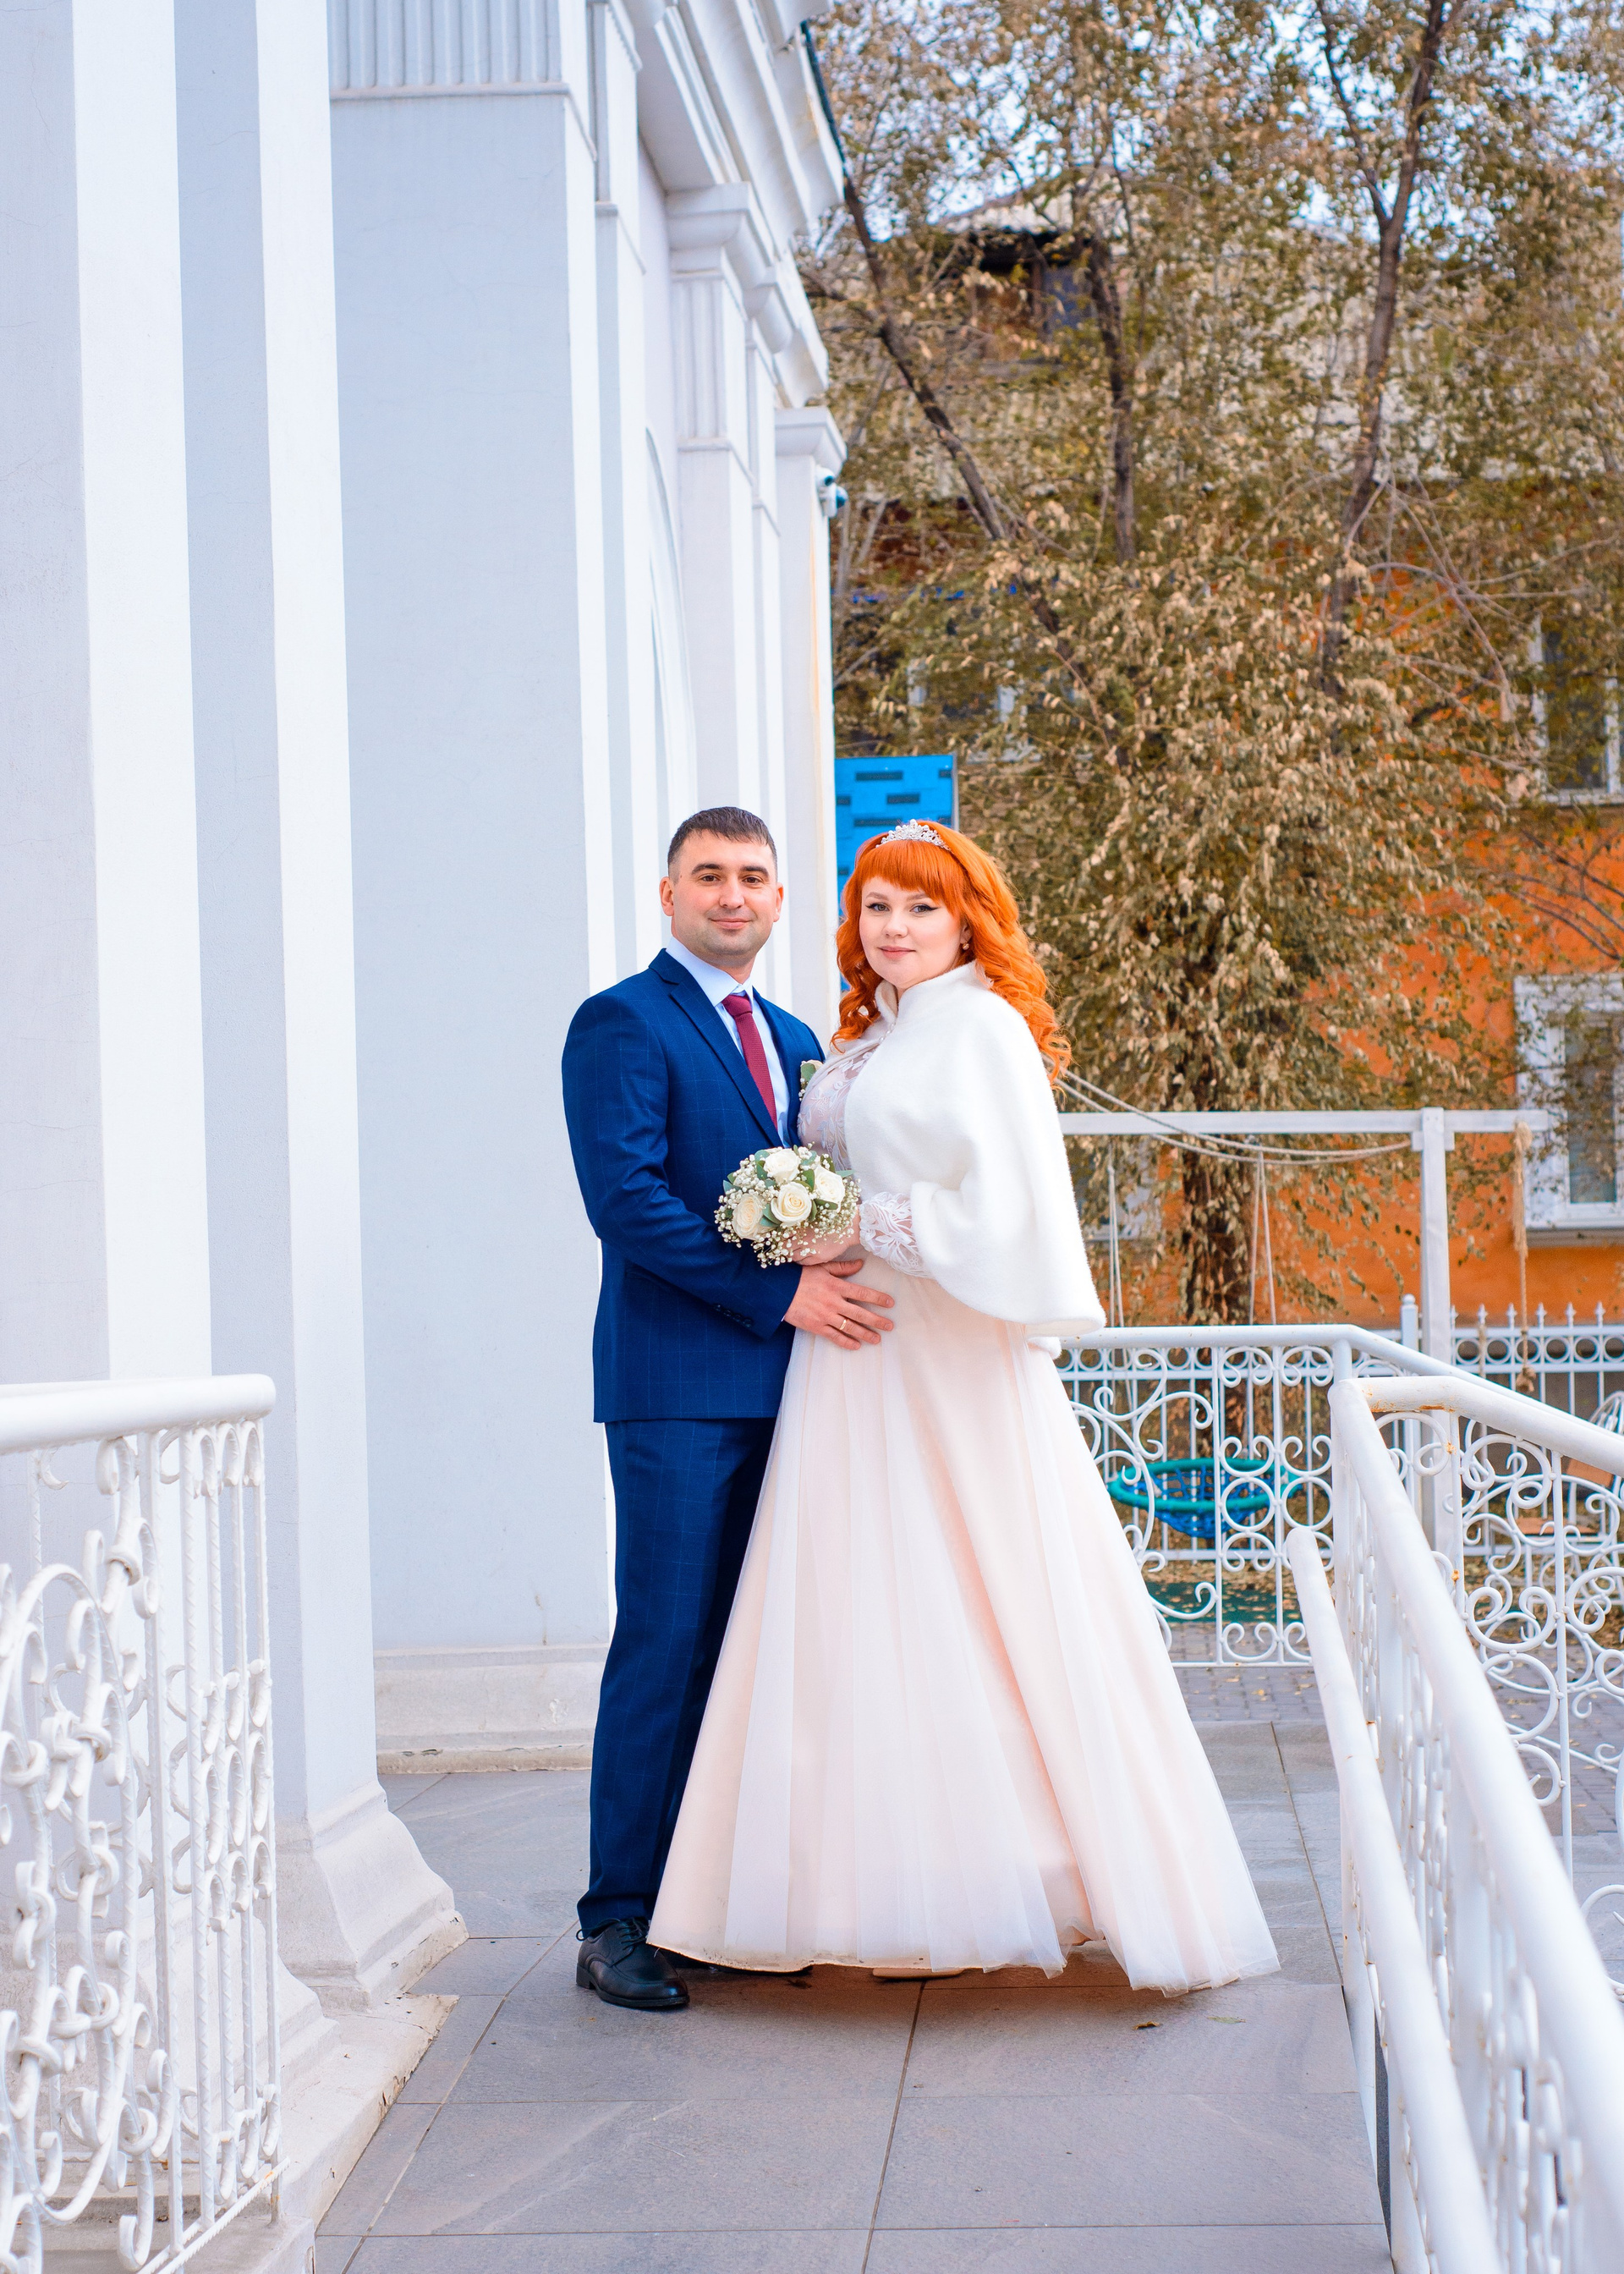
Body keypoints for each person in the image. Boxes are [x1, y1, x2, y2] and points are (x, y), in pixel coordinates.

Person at [649, 820, 1280, 1992]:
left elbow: (1009, 1210)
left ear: (967, 922)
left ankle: (1042, 1878)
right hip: (851, 1353)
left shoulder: (984, 1027)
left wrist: (854, 1223)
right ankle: (863, 1889)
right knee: (861, 1597)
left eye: (921, 908)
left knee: (977, 1589)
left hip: (942, 1348)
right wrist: (802, 1224)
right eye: (878, 906)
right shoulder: (869, 1033)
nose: (895, 927)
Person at [561, 807, 896, 2013]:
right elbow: (627, 1201)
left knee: (753, 1654)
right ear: (670, 895)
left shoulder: (798, 1037)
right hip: (676, 1389)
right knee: (665, 1643)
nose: (733, 895)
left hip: (795, 1390)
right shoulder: (621, 1022)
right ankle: (616, 1919)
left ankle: (705, 1907)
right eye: (709, 875)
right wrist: (780, 1293)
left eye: (754, 875)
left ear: (779, 897)